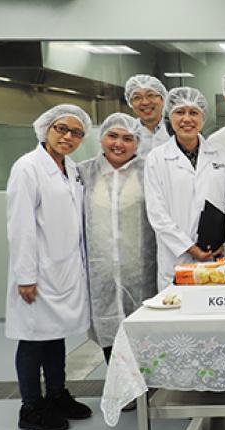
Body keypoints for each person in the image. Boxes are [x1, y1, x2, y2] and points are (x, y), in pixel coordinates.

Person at [6, 104, 94, 430]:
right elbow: (21, 226)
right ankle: (30, 407)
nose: (68, 137)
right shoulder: (27, 167)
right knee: (32, 339)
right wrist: (26, 276)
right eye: (61, 129)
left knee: (55, 336)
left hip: (64, 268)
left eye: (76, 132)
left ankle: (57, 395)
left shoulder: (71, 168)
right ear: (46, 129)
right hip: (38, 271)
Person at [78, 113, 157, 363]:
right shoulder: (84, 173)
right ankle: (116, 383)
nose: (119, 144)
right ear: (101, 138)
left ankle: (143, 383)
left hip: (141, 273)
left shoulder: (149, 171)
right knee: (108, 334)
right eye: (112, 136)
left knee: (144, 336)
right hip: (100, 274)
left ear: (137, 143)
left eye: (127, 138)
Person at [145, 87, 225, 290]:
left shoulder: (221, 155)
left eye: (194, 112)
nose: (187, 119)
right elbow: (157, 213)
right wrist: (189, 248)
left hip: (216, 255)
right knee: (178, 306)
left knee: (215, 304)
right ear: (169, 117)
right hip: (176, 257)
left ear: (203, 118)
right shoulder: (157, 158)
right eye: (180, 112)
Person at [124, 75, 169, 157]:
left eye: (150, 95)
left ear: (162, 99)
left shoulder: (176, 130)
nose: (145, 102)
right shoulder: (126, 133)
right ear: (131, 103)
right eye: (137, 97)